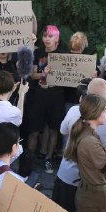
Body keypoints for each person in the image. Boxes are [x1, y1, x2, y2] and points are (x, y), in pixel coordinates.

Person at [53, 78, 106, 212]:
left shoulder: (74, 111)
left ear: (86, 94)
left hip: (68, 176)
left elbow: (62, 131)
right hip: (94, 182)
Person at [26, 25, 66, 174]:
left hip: (56, 96)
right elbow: (32, 74)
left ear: (57, 38)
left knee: (54, 128)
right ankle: (28, 160)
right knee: (34, 130)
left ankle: (48, 159)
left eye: (50, 36)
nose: (47, 39)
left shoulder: (63, 54)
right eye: (45, 36)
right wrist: (43, 74)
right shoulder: (38, 52)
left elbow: (72, 75)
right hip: (39, 96)